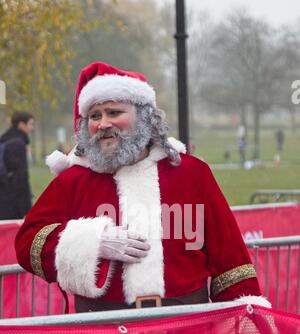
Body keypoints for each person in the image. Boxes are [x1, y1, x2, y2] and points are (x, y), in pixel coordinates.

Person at [15, 62, 270, 312]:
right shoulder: (74, 181)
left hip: (185, 333)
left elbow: (229, 258)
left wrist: (246, 317)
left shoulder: (192, 174)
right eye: (95, 116)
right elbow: (27, 243)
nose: (103, 124)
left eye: (114, 113)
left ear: (145, 118)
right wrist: (91, 242)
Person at [0, 111, 34, 219]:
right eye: (30, 124)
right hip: (11, 201)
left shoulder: (5, 140)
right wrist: (27, 208)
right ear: (21, 125)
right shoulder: (17, 144)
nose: (32, 128)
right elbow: (21, 177)